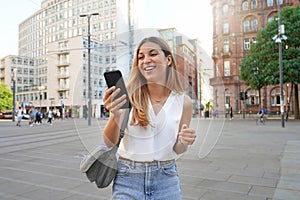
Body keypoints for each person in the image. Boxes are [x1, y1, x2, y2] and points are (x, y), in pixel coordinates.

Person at [103, 37, 196, 199]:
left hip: (166, 179)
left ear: (168, 60)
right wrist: (115, 116)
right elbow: (109, 142)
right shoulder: (128, 96)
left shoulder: (184, 102)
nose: (146, 60)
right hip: (128, 178)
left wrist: (184, 141)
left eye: (153, 54)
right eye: (141, 57)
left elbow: (178, 149)